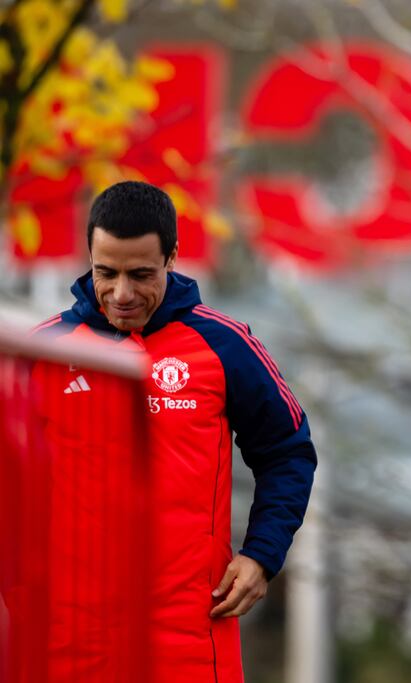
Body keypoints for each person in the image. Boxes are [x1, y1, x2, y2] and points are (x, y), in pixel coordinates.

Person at [29, 181, 317, 682]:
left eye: (141, 274)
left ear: (173, 257)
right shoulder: (42, 352)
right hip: (67, 638)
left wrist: (262, 555)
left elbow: (288, 452)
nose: (121, 294)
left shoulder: (224, 345)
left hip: (187, 635)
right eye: (106, 272)